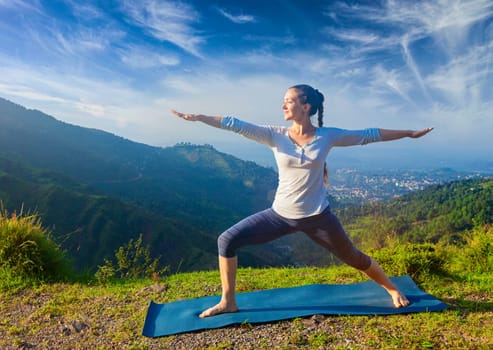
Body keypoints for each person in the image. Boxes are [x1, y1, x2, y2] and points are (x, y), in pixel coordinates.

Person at [171, 84, 434, 318]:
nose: (283, 104)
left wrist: (409, 133)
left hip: (318, 218)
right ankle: (228, 301)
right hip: (279, 215)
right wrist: (199, 118)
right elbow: (234, 123)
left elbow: (368, 134)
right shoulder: (274, 135)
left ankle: (391, 288)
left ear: (306, 106)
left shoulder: (327, 136)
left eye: (289, 100)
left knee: (354, 258)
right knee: (226, 240)